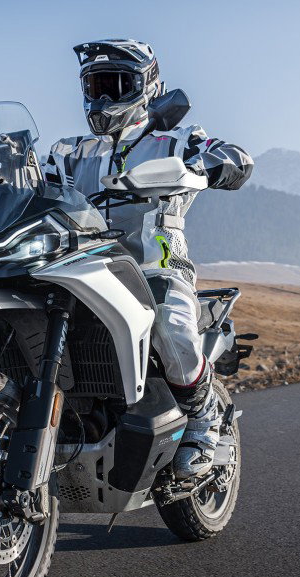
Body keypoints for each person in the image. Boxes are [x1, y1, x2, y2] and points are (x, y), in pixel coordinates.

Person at [43, 38, 253, 479]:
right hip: (80, 266)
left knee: (169, 324)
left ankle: (203, 415)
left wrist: (208, 167)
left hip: (155, 267)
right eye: (94, 86)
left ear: (146, 86)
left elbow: (236, 158)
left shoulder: (174, 140)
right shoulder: (69, 151)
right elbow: (36, 187)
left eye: (114, 85)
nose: (102, 98)